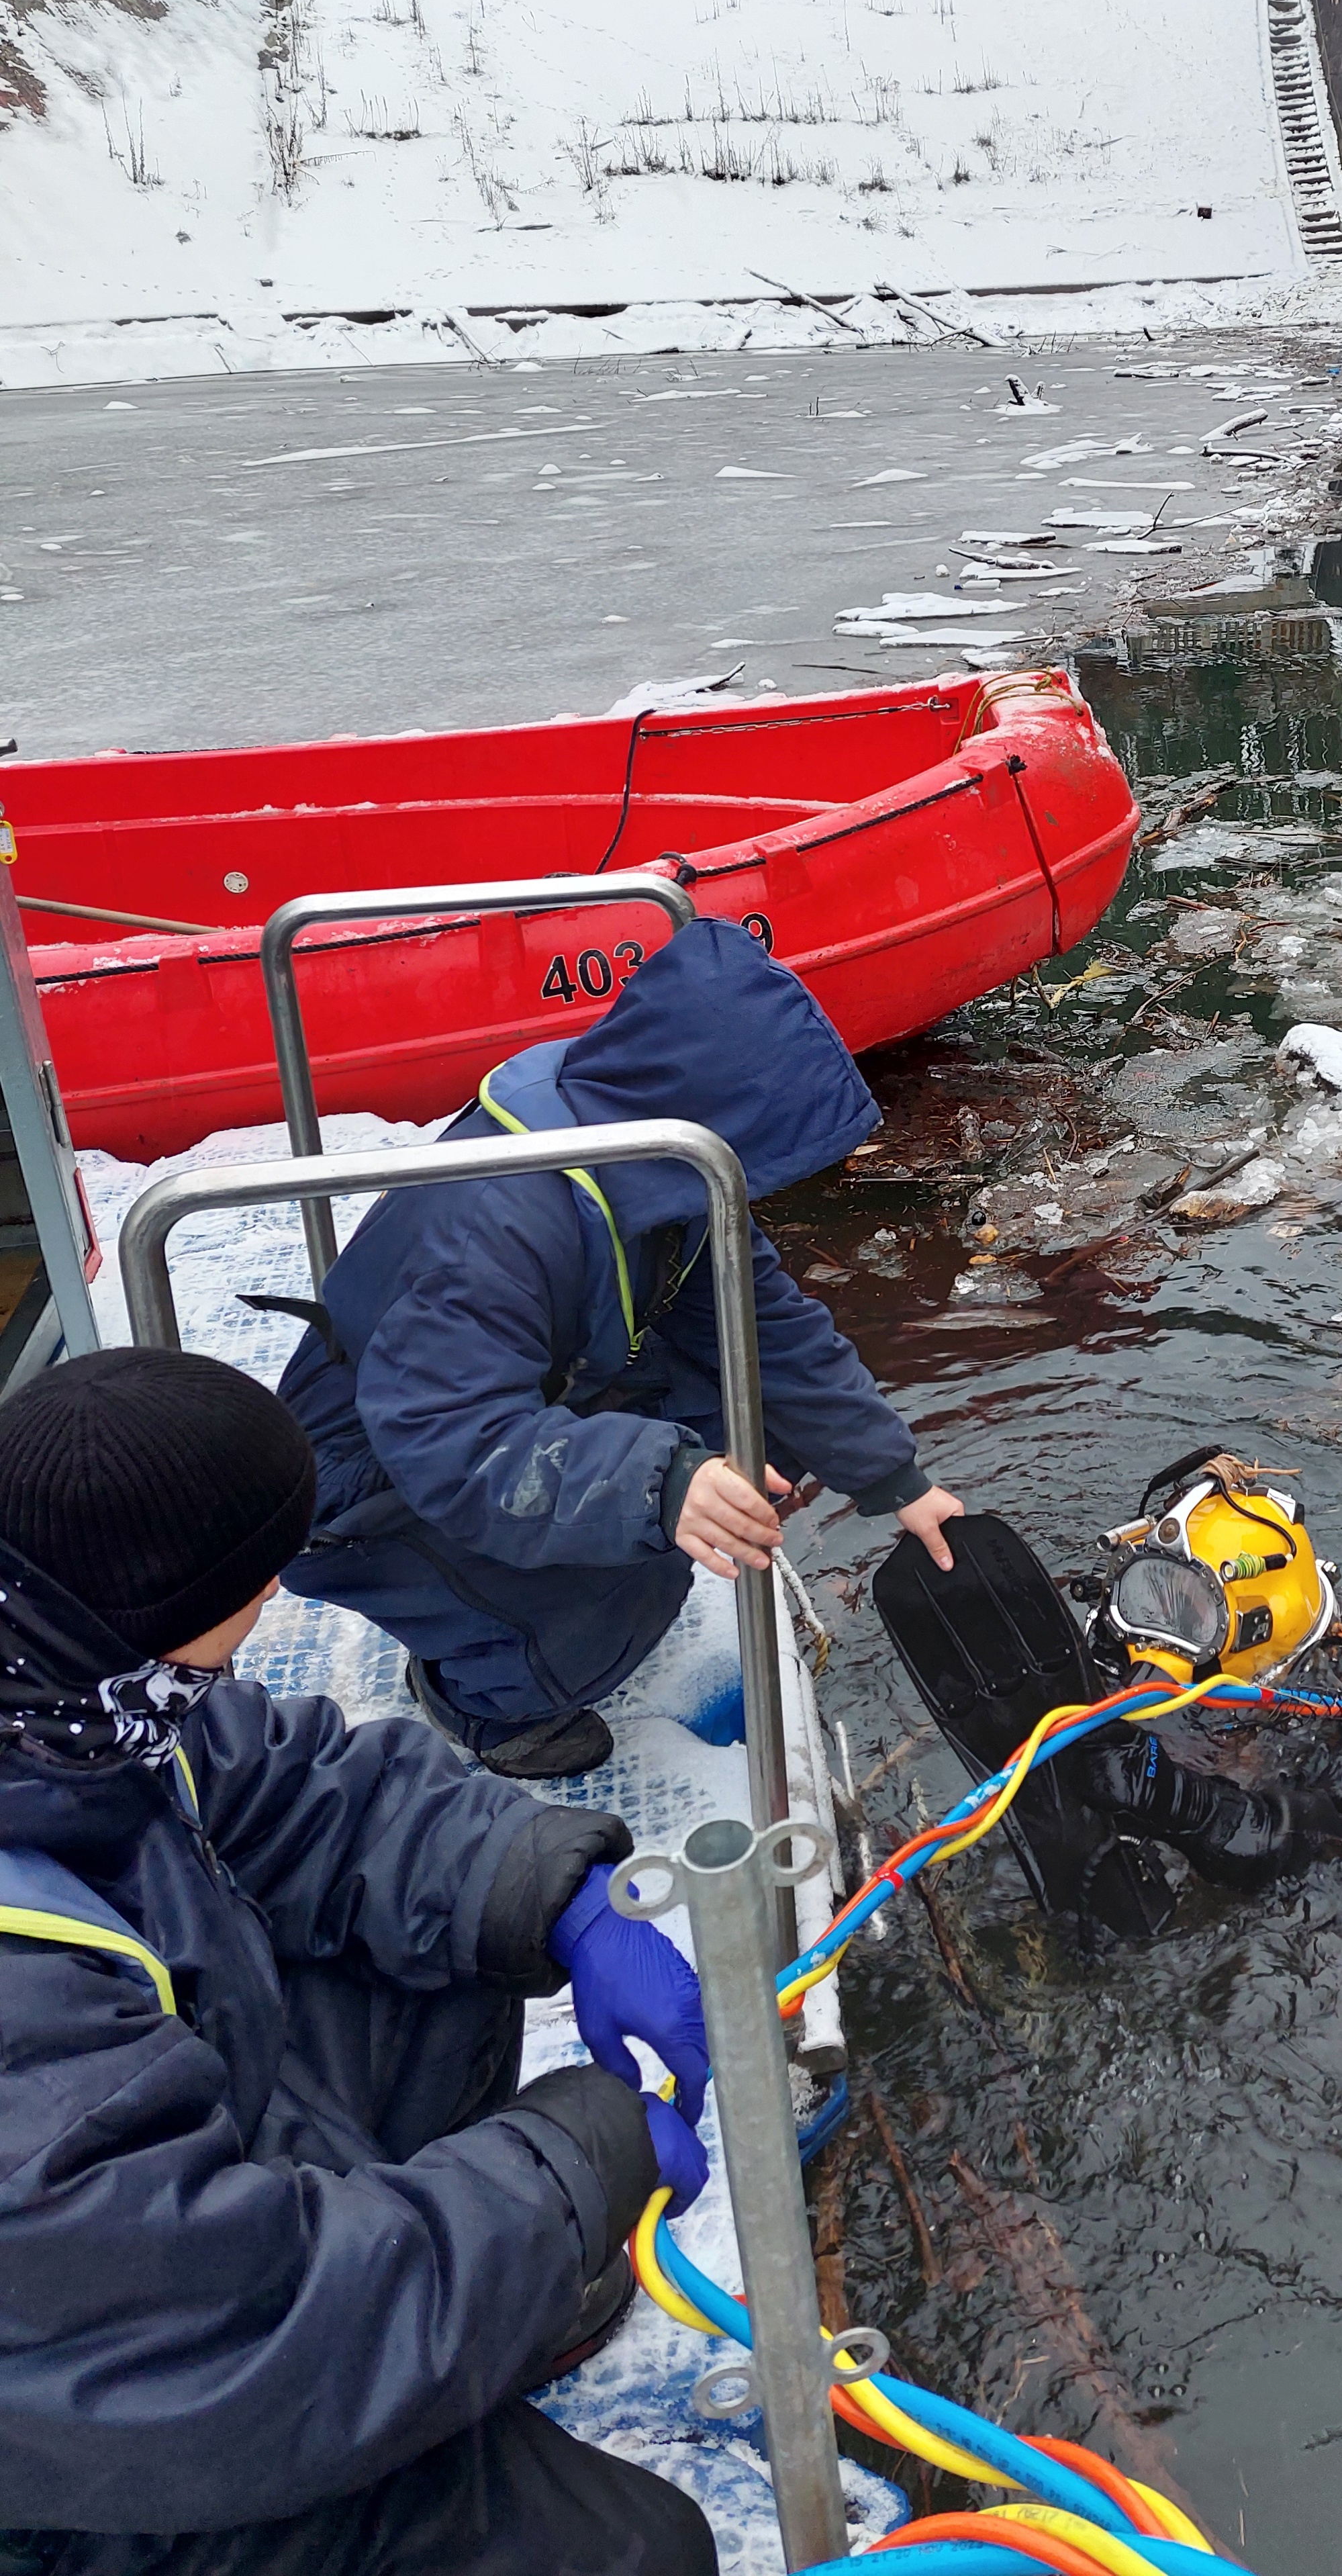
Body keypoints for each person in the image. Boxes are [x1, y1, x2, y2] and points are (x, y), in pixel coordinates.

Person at [0, 1347, 718, 2576]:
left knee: (448, 1951)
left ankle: (449, 2316)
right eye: (250, 1578)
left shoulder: (71, 1678)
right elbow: (234, 2332)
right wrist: (572, 2175)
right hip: (91, 2453)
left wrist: (555, 1896)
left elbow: (299, 1789)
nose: (277, 1589)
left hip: (129, 2239)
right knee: (637, 2553)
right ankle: (418, 2329)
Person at [277, 919, 963, 1778]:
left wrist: (896, 1481)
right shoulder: (496, 1221)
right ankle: (484, 1689)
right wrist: (661, 1486)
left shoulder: (664, 1156)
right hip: (361, 1478)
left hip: (512, 1399)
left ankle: (548, 1580)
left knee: (762, 1437)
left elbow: (769, 1329)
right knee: (629, 1591)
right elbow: (448, 1438)